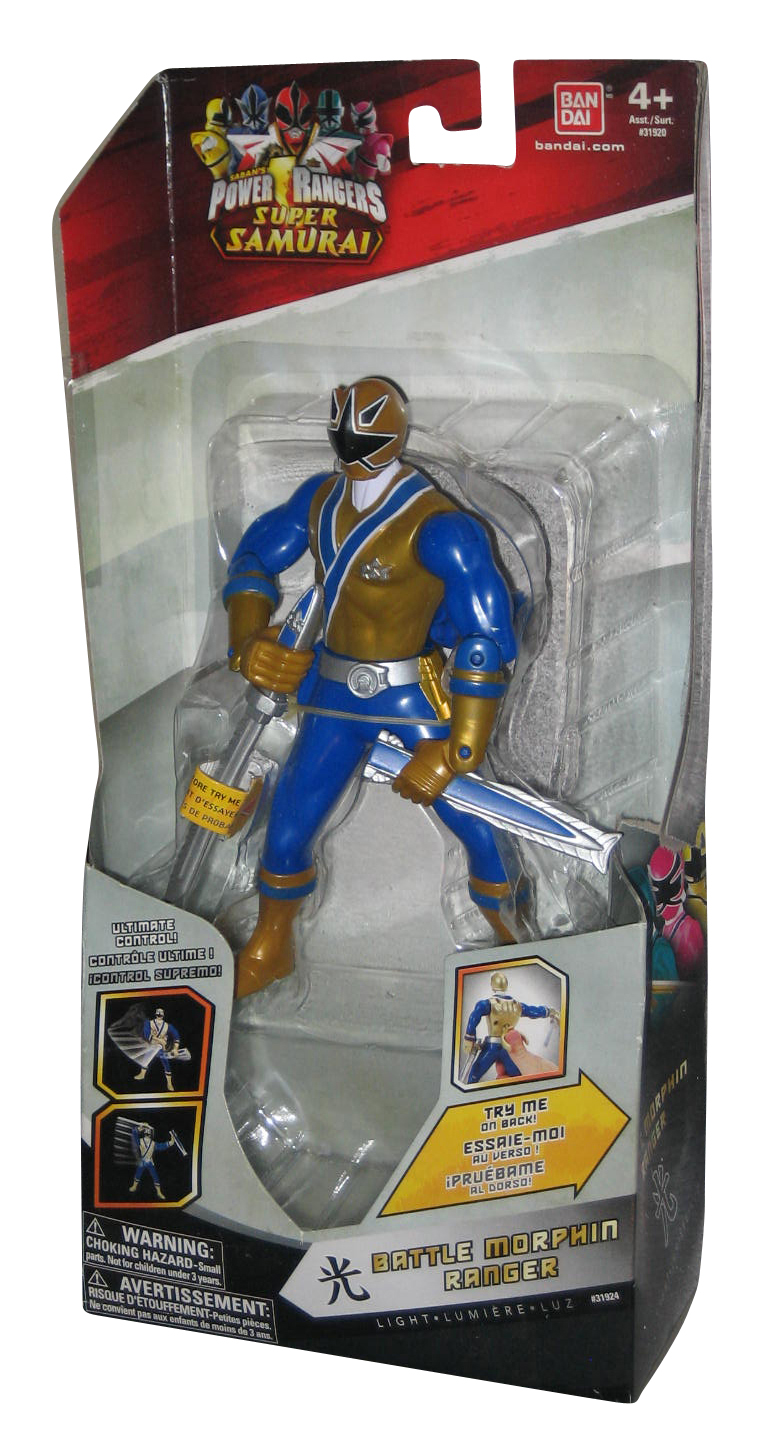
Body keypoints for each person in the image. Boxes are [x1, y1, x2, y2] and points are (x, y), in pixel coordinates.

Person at [223, 376, 525, 996]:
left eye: (363, 438)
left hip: (412, 694)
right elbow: (253, 557)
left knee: (479, 828)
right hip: (333, 693)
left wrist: (457, 750)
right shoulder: (319, 502)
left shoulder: (439, 526)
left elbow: (488, 638)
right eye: (345, 436)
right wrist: (248, 641)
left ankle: (518, 939)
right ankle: (273, 944)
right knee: (287, 826)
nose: (353, 449)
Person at [463, 971, 559, 1083]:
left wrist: (469, 1038)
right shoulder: (517, 1005)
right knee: (517, 1077)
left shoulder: (486, 1004)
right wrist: (550, 1011)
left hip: (493, 1046)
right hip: (509, 1047)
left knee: (474, 1076)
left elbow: (474, 1017)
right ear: (506, 985)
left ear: (492, 986)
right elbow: (534, 1011)